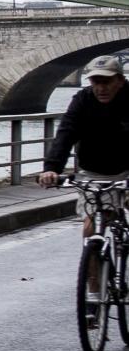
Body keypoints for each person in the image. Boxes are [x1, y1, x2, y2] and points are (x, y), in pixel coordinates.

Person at [37, 53, 129, 236]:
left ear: (120, 81)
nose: (101, 88)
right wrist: (52, 168)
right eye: (96, 82)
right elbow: (66, 133)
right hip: (94, 170)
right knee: (90, 228)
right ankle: (94, 258)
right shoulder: (82, 100)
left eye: (107, 82)